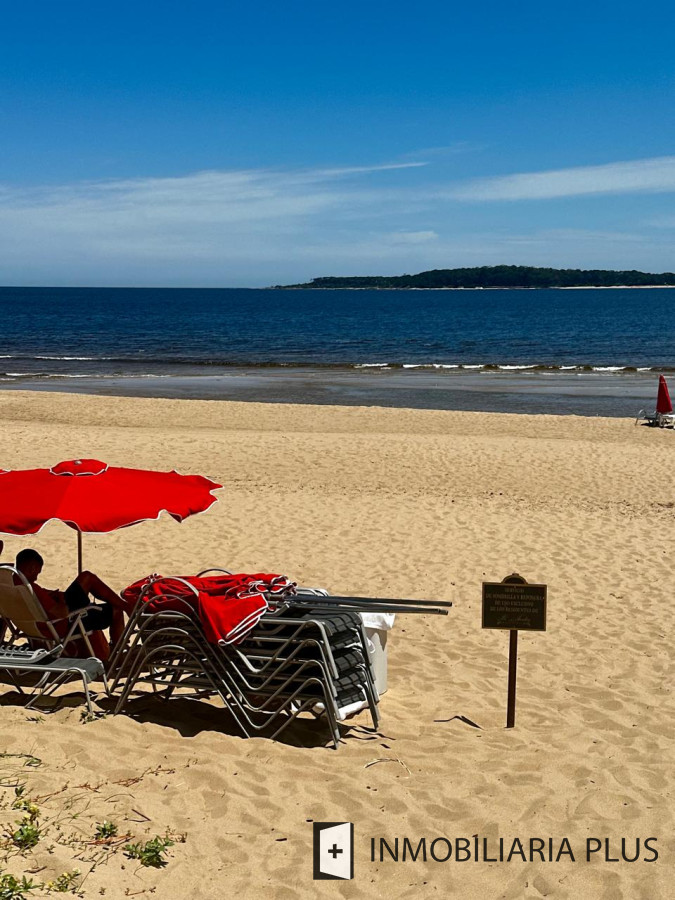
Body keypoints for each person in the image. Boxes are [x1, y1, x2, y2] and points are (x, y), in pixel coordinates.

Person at [14, 548, 125, 660]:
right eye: (37, 573)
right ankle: (118, 653)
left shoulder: (10, 585)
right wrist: (61, 599)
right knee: (115, 609)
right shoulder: (30, 589)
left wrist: (49, 594)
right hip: (63, 623)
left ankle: (125, 606)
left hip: (34, 625)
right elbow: (62, 613)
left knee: (86, 579)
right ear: (33, 568)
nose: (36, 578)